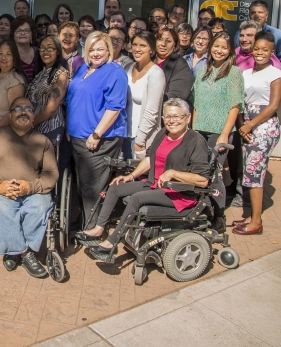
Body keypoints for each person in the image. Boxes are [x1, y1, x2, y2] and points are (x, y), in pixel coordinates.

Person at [82, 99, 211, 262]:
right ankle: (99, 229)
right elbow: (150, 159)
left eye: (177, 117)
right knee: (116, 187)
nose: (172, 121)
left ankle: (111, 243)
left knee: (137, 198)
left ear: (188, 118)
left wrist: (173, 173)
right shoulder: (163, 133)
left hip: (178, 193)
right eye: (168, 117)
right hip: (154, 184)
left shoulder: (196, 141)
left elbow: (203, 180)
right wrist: (130, 177)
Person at [0, 97, 59, 277]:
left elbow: (52, 173)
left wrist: (31, 187)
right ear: (10, 115)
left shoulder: (43, 141)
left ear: (33, 117)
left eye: (28, 109)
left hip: (31, 189)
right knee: (2, 207)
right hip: (1, 188)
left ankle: (13, 250)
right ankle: (26, 253)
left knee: (42, 205)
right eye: (17, 108)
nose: (23, 111)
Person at [67, 31, 128, 230]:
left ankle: (92, 229)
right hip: (77, 137)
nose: (95, 53)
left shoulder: (114, 71)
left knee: (92, 188)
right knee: (81, 185)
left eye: (100, 49)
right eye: (91, 49)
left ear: (109, 50)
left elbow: (115, 107)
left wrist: (96, 134)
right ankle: (83, 223)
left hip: (99, 140)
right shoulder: (84, 68)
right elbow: (73, 99)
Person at [233, 32, 281, 235]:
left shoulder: (275, 75)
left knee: (254, 173)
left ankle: (256, 222)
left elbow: (272, 106)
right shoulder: (246, 74)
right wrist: (241, 125)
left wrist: (250, 125)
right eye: (257, 49)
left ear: (272, 52)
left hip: (263, 128)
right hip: (247, 127)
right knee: (249, 172)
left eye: (265, 50)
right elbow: (240, 102)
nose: (260, 53)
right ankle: (250, 215)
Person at [191, 32, 244, 229]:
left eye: (224, 47)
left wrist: (224, 133)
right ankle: (201, 211)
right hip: (199, 130)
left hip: (218, 131)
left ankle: (219, 216)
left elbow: (235, 106)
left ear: (230, 51)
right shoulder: (205, 71)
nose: (219, 50)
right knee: (199, 171)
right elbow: (196, 103)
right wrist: (193, 130)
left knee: (215, 173)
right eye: (216, 46)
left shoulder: (233, 73)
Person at [26, 35, 69, 175]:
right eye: (42, 48)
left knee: (46, 171)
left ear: (58, 51)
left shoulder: (61, 74)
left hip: (50, 127)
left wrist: (31, 123)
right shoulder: (40, 73)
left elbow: (52, 107)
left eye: (50, 48)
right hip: (35, 128)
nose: (45, 52)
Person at [124, 30, 165, 161]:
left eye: (142, 45)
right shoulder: (127, 67)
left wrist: (140, 141)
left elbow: (152, 111)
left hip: (142, 138)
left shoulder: (156, 74)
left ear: (152, 50)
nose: (137, 49)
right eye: (134, 44)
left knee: (138, 179)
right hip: (124, 135)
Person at [242, 0, 281, 78]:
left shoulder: (278, 35)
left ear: (266, 15)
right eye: (253, 12)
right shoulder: (241, 35)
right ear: (249, 15)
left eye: (260, 12)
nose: (256, 15)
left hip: (269, 80)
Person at [154, 26, 194, 102]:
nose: (163, 44)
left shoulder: (179, 63)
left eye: (168, 41)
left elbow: (178, 94)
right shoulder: (147, 60)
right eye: (160, 39)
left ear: (175, 45)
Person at [11, 15, 37, 82]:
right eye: (19, 31)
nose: (22, 33)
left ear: (32, 35)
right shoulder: (9, 54)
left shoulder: (39, 52)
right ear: (13, 35)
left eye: (26, 30)